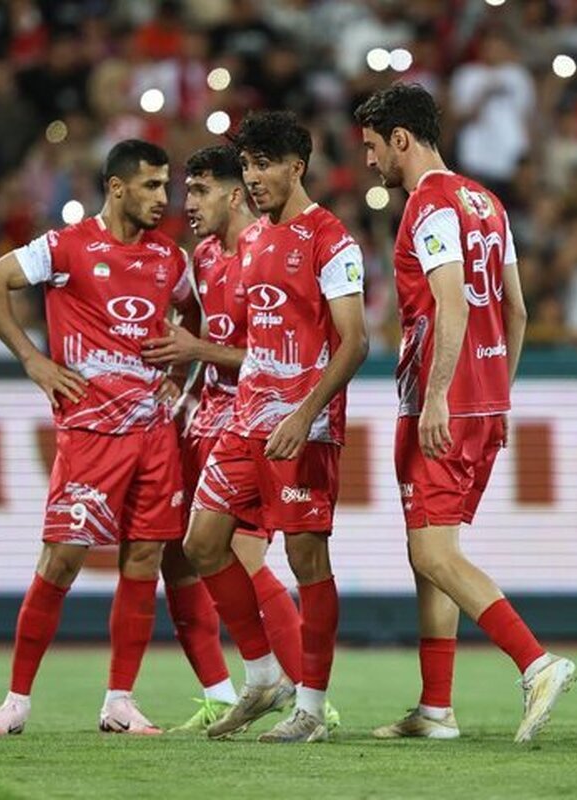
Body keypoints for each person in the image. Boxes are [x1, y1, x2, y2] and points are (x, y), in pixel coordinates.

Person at [355, 83, 576, 744]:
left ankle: (536, 663)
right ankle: (436, 708)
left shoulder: (429, 205)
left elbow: (451, 303)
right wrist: (497, 393)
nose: (369, 161)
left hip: (441, 402)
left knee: (432, 551)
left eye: (373, 146)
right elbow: (517, 310)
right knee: (431, 553)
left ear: (401, 139)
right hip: (482, 400)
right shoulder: (488, 202)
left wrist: (437, 396)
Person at [0, 139, 190, 736]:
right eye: (151, 186)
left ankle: (119, 701)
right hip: (90, 432)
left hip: (155, 433)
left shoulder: (170, 258)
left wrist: (180, 369)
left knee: (143, 559)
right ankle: (16, 700)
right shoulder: (65, 246)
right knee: (62, 558)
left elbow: (194, 314)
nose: (163, 198)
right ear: (116, 188)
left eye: (166, 186)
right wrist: (33, 360)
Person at [181, 111, 368, 744]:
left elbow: (355, 342)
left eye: (264, 165)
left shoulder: (332, 240)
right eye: (247, 166)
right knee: (202, 543)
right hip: (244, 422)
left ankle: (311, 708)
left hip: (303, 428)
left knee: (306, 559)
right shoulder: (255, 239)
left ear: (297, 166)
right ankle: (264, 678)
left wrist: (305, 413)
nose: (253, 177)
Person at [140, 145, 337, 733]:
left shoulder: (266, 249)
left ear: (234, 194)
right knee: (190, 552)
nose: (187, 203)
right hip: (209, 419)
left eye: (200, 191)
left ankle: (307, 697)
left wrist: (198, 350)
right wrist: (180, 372)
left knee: (249, 557)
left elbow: (276, 352)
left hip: (260, 421)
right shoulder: (203, 257)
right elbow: (196, 327)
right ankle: (240, 685)